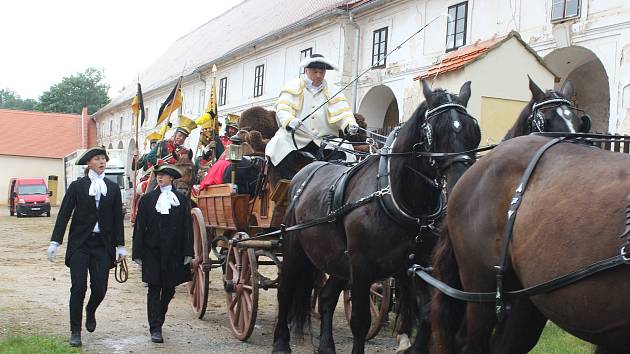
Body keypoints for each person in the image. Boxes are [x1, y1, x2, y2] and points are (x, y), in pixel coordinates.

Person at [47, 146, 126, 347]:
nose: (102, 162)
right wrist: (55, 241)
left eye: (104, 159)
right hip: (80, 244)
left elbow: (118, 218)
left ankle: (91, 310)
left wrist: (120, 246)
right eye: (98, 159)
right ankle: (75, 331)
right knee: (78, 287)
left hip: (102, 245)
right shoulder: (77, 186)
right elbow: (64, 214)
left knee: (100, 287)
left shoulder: (113, 188)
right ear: (89, 163)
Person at [265, 53, 360, 180]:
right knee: (278, 144)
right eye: (315, 71)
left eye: (322, 72)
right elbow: (283, 108)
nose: (319, 75)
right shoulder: (293, 86)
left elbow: (344, 113)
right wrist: (289, 121)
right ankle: (288, 184)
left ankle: (331, 184)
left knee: (345, 147)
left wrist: (349, 125)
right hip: (296, 138)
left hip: (324, 140)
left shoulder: (334, 91)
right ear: (306, 70)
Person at [132, 164, 193, 343]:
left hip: (173, 252)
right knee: (153, 288)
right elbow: (140, 227)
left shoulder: (181, 201)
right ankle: (155, 328)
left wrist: (188, 251)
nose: (160, 178)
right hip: (152, 250)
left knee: (168, 289)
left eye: (164, 175)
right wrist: (137, 252)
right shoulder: (148, 199)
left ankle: (160, 315)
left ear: (171, 178)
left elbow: (187, 228)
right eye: (158, 175)